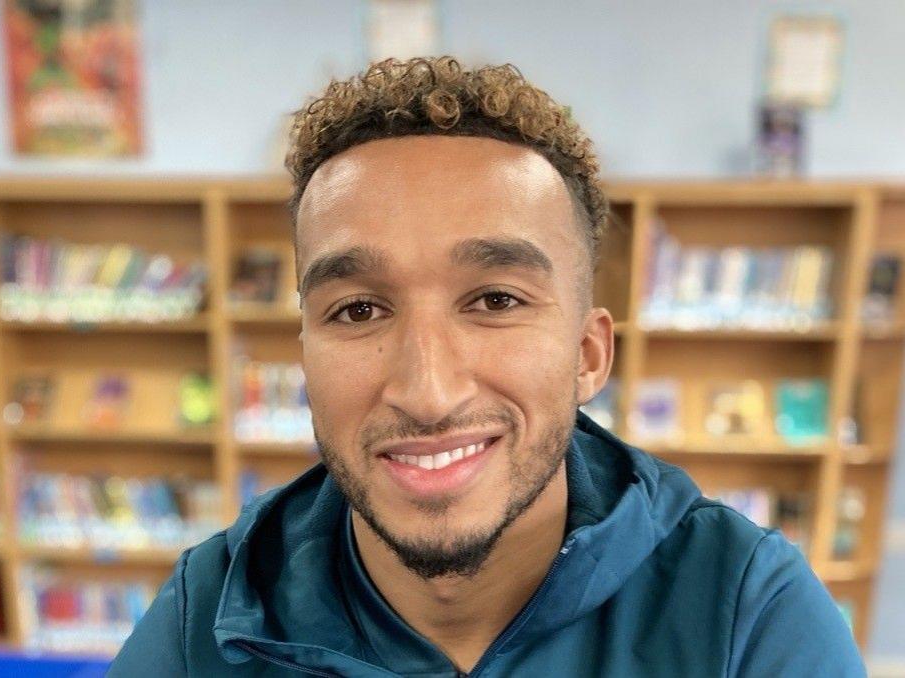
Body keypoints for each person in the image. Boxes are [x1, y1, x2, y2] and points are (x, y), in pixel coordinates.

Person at [109, 56, 865, 677]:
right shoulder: (205, 619)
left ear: (588, 353)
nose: (427, 392)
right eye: (359, 310)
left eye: (496, 300)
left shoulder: (746, 614)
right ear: (303, 356)